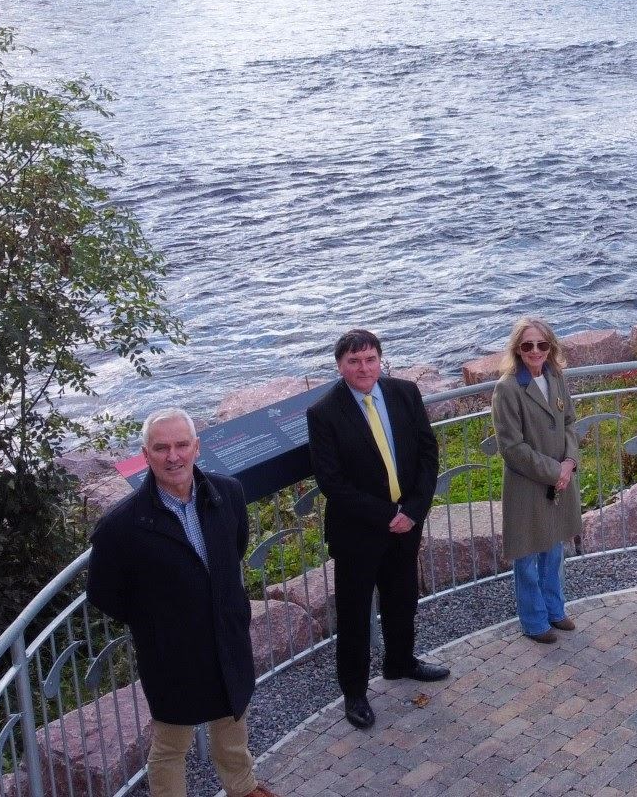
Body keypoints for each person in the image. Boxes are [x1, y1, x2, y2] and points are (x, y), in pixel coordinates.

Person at [86, 409, 277, 797]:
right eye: (161, 447)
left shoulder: (227, 494)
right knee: (172, 744)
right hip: (170, 652)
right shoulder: (122, 525)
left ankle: (243, 789)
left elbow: (233, 551)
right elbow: (104, 594)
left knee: (232, 724)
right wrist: (159, 620)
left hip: (226, 636)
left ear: (196, 447)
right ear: (145, 454)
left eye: (181, 445)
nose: (173, 456)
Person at [306, 328, 448, 731]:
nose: (363, 368)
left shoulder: (404, 393)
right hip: (359, 533)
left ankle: (400, 662)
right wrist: (387, 514)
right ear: (340, 366)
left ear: (380, 360)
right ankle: (354, 693)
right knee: (353, 615)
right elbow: (331, 482)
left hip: (407, 523)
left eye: (370, 359)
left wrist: (414, 510)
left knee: (403, 598)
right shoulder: (324, 413)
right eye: (354, 361)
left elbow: (427, 453)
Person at [490, 317, 581, 643]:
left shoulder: (556, 377)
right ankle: (534, 621)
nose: (535, 350)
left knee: (554, 548)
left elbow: (570, 421)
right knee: (528, 555)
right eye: (527, 345)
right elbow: (512, 448)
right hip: (528, 486)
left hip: (560, 479)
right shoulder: (508, 389)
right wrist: (554, 471)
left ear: (550, 346)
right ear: (517, 349)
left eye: (542, 344)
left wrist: (569, 462)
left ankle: (555, 611)